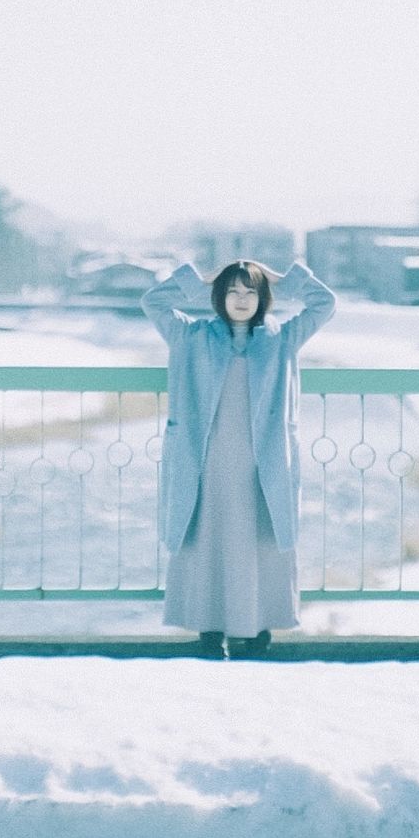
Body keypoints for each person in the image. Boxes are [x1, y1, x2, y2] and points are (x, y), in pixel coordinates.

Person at [141, 258, 336, 659]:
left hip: (263, 465)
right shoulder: (191, 336)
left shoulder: (282, 338)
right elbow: (153, 302)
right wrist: (201, 279)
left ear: (263, 297)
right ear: (219, 296)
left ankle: (257, 627)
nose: (242, 299)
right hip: (205, 462)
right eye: (233, 291)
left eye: (250, 291)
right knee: (205, 541)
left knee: (260, 543)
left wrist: (284, 277)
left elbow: (324, 303)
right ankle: (208, 628)